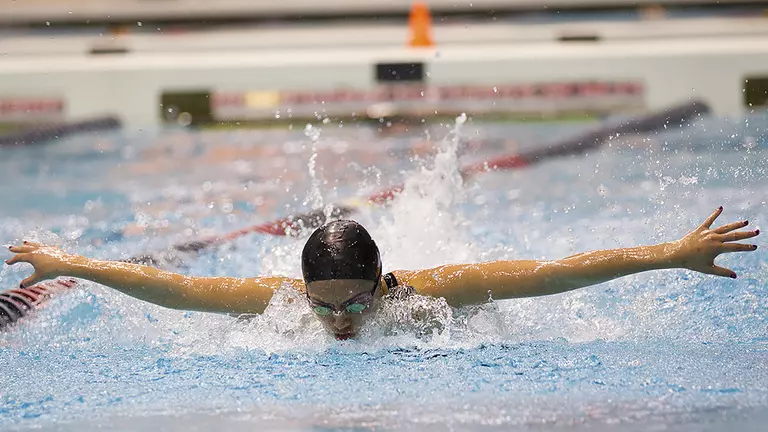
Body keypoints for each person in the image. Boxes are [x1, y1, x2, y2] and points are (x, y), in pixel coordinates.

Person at [4, 206, 760, 340]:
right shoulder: (279, 302)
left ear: (384, 285)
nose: (338, 322)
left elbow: (550, 272)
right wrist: (71, 264)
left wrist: (669, 253)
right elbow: (170, 289)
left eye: (356, 307)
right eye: (324, 306)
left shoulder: (430, 293)